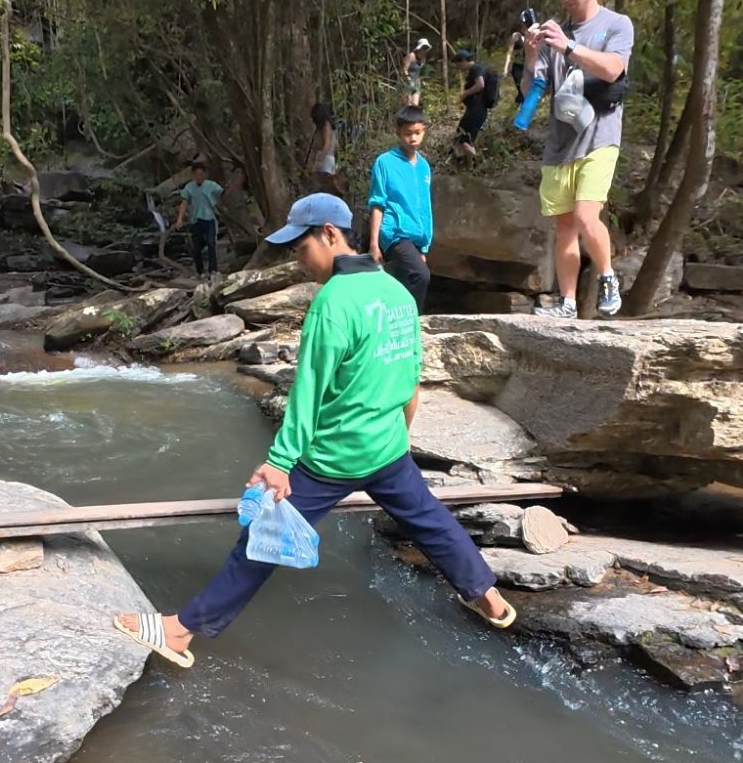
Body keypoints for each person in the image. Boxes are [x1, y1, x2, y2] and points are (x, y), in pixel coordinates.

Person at [113, 192, 516, 668]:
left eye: (302, 248)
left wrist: (279, 463)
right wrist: (398, 441)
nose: (300, 262)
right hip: (387, 448)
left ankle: (180, 632)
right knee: (429, 519)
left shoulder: (332, 302)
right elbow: (411, 381)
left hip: (334, 458)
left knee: (261, 537)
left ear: (329, 234)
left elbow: (308, 392)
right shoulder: (397, 293)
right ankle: (489, 599)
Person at [522, 0, 633, 319]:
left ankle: (607, 276)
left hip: (600, 138)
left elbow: (613, 69)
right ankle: (567, 303)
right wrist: (532, 55)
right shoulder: (555, 33)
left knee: (587, 216)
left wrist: (569, 47)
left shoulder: (616, 25)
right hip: (560, 145)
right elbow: (531, 92)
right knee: (565, 226)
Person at [367, 105, 432, 313]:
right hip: (394, 232)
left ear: (424, 131)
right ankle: (413, 321)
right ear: (398, 133)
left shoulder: (423, 166)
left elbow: (425, 207)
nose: (413, 138)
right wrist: (374, 244)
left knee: (403, 280)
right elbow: (377, 203)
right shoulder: (385, 162)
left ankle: (393, 318)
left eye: (417, 133)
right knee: (421, 275)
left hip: (416, 236)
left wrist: (424, 246)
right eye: (407, 133)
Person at [175, 163, 226, 280]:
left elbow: (223, 193)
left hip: (209, 219)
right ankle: (200, 271)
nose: (199, 177)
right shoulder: (189, 187)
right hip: (195, 220)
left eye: (201, 174)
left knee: (211, 243)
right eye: (197, 175)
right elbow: (184, 203)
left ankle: (213, 270)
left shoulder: (211, 185)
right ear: (193, 175)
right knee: (196, 247)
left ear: (205, 175)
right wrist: (180, 219)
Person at [453, 49, 490, 160]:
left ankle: (475, 161)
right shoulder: (478, 69)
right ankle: (468, 162)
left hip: (476, 110)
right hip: (476, 110)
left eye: (458, 64)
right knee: (464, 137)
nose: (458, 68)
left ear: (464, 61)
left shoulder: (475, 69)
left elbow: (480, 85)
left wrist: (465, 93)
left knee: (464, 139)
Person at [309, 103, 339, 191]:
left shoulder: (326, 127)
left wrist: (318, 161)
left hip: (325, 160)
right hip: (327, 159)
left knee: (323, 186)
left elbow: (326, 145)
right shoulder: (326, 126)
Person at [401, 38, 431, 105]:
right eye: (423, 47)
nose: (424, 50)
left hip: (416, 82)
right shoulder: (411, 56)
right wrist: (409, 80)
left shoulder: (423, 59)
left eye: (426, 48)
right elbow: (404, 69)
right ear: (419, 48)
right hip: (407, 82)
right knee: (408, 104)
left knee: (415, 104)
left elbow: (420, 72)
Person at [503, 25, 526, 106]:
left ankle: (519, 103)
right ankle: (521, 103)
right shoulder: (516, 36)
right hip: (517, 66)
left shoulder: (531, 35)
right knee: (520, 86)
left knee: (526, 89)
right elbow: (509, 52)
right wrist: (506, 68)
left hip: (527, 66)